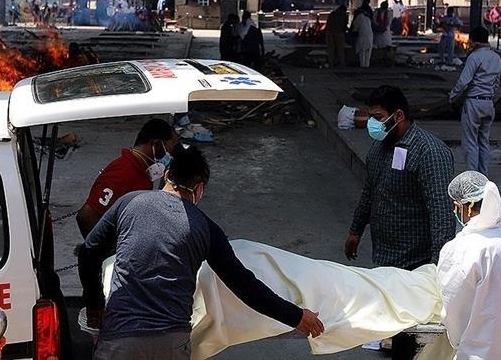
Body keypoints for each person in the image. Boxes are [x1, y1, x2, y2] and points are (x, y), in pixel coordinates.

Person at [78, 145, 324, 359]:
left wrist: (95, 307)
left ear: (167, 175)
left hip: (121, 337)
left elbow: (88, 252)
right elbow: (245, 286)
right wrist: (296, 316)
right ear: (199, 189)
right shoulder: (206, 227)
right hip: (172, 343)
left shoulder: (129, 202)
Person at [345, 85, 454, 270]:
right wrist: (356, 230)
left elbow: (441, 213)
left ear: (399, 116)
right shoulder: (378, 147)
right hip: (383, 257)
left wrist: (437, 269)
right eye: (371, 117)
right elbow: (369, 191)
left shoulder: (430, 152)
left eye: (378, 117)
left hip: (416, 263)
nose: (372, 123)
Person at [438, 171, 501, 360]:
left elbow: (453, 308)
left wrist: (458, 339)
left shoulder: (463, 248)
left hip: (479, 352)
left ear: (464, 207)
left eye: (456, 207)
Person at [75, 119, 180, 238]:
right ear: (156, 144)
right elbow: (86, 216)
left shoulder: (141, 171)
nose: (171, 154)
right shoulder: (123, 172)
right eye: (171, 148)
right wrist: (102, 248)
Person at [449, 26, 501, 175]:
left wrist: (452, 96)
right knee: (484, 142)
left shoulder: (474, 57)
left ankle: (473, 178)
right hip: (488, 103)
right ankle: (483, 176)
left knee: (471, 143)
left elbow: (463, 82)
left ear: (473, 40)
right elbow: (496, 83)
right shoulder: (496, 58)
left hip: (473, 103)